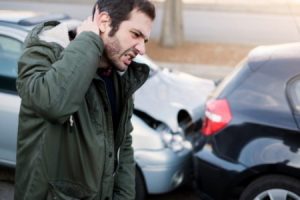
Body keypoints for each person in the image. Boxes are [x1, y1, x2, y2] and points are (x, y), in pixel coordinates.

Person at [14, 0, 155, 199]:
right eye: (135, 34)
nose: (142, 49)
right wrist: (89, 39)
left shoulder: (118, 78)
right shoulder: (46, 54)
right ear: (104, 22)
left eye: (144, 40)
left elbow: (123, 146)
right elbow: (52, 104)